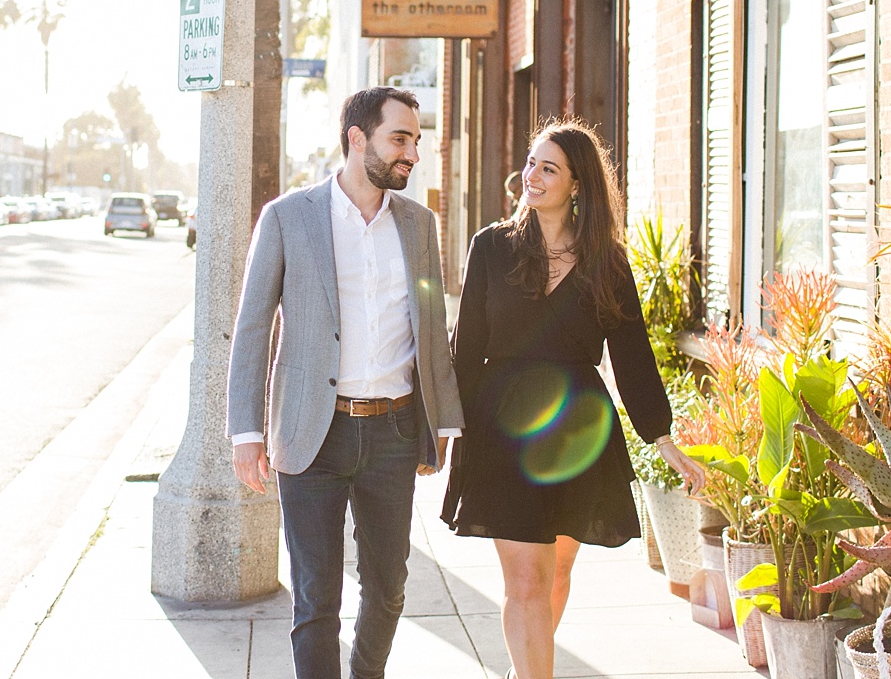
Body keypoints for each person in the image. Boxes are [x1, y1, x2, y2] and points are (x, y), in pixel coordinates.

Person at [440, 120, 706, 679]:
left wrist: (663, 439)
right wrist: (442, 429)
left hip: (576, 432)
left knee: (556, 576)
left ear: (577, 184)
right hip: (503, 428)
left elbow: (633, 356)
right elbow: (465, 349)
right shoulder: (491, 247)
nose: (530, 177)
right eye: (531, 163)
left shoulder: (607, 262)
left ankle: (523, 670)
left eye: (548, 168)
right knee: (528, 581)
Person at [228, 86, 464, 679]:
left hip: (392, 430)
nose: (412, 153)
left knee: (387, 588)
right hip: (314, 432)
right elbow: (253, 324)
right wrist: (245, 432)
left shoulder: (418, 224)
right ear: (358, 139)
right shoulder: (288, 217)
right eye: (400, 139)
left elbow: (431, 328)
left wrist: (444, 424)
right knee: (317, 600)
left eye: (416, 140)